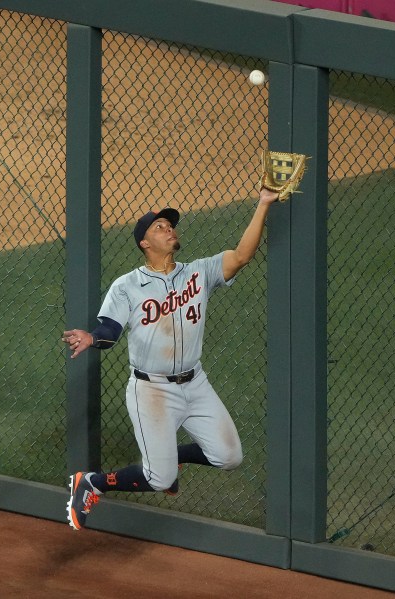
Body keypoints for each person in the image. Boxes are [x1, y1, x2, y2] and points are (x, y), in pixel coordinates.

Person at [63, 186, 280, 530]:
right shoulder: (127, 286)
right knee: (159, 478)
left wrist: (264, 203)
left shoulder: (199, 272)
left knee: (229, 457)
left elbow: (241, 255)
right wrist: (92, 337)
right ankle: (91, 483)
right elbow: (109, 328)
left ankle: (174, 456)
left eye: (169, 224)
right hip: (153, 392)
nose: (168, 229)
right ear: (144, 244)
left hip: (195, 384)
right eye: (159, 227)